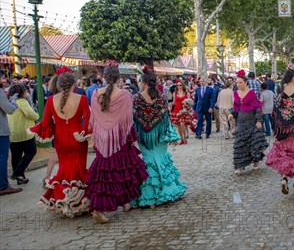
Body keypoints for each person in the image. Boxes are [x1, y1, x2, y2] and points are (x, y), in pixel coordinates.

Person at [86, 62, 149, 223]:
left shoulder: (95, 94)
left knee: (110, 171)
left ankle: (125, 202)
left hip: (102, 137)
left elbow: (94, 116)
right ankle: (99, 208)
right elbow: (128, 118)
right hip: (120, 137)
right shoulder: (124, 94)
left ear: (104, 77)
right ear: (119, 78)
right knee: (120, 170)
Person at [29, 70, 91, 216]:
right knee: (79, 170)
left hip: (60, 139)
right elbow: (88, 121)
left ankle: (65, 203)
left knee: (64, 169)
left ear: (58, 85)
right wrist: (83, 132)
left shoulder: (51, 100)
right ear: (74, 84)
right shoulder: (81, 99)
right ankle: (78, 203)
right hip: (78, 139)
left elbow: (45, 123)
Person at [132, 69, 186, 209]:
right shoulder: (161, 97)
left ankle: (150, 196)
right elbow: (165, 118)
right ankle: (167, 191)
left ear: (144, 83)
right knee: (161, 159)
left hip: (144, 136)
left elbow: (135, 119)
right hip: (159, 135)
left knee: (149, 161)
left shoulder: (137, 98)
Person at [230, 74, 268, 174]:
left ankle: (256, 162)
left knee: (253, 143)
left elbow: (258, 107)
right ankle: (239, 166)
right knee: (240, 143)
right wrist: (231, 114)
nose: (238, 84)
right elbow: (236, 108)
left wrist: (259, 121)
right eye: (237, 82)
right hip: (240, 122)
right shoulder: (235, 93)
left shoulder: (251, 93)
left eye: (240, 82)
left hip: (252, 121)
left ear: (246, 82)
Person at [7, 84, 39, 185]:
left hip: (12, 133)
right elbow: (31, 114)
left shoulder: (10, 102)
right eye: (25, 90)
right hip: (24, 132)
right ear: (21, 92)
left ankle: (20, 177)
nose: (27, 92)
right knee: (31, 151)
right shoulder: (22, 102)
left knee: (16, 156)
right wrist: (37, 116)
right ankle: (17, 173)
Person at [0, 80, 20, 196]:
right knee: (2, 159)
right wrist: (13, 101)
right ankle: (3, 185)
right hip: (1, 131)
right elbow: (9, 109)